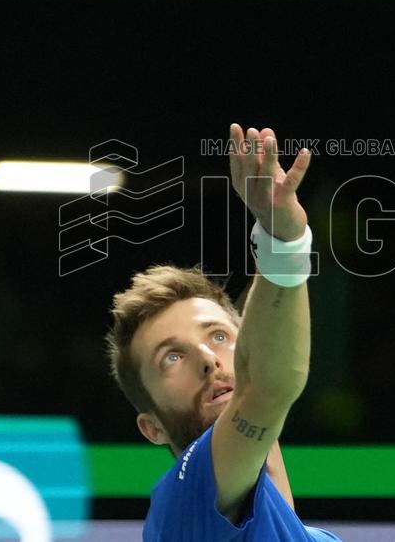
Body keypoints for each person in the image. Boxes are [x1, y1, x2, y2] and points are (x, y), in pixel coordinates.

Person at [105, 124, 341, 541]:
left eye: (217, 336)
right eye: (171, 358)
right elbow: (265, 385)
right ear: (152, 427)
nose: (207, 358)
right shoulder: (184, 503)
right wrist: (282, 241)